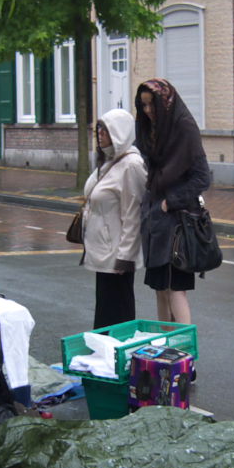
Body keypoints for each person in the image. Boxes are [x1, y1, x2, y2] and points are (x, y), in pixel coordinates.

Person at [134, 79, 211, 325]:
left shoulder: (184, 128)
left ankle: (185, 352)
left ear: (165, 102)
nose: (147, 111)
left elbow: (201, 178)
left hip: (178, 223)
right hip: (155, 220)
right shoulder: (150, 130)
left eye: (152, 105)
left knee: (176, 289)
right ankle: (165, 346)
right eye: (143, 106)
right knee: (160, 288)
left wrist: (170, 202)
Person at [81, 108, 148, 328]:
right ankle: (103, 355)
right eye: (99, 128)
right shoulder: (110, 161)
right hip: (102, 250)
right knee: (105, 310)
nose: (100, 134)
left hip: (116, 253)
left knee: (117, 311)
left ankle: (117, 355)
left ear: (120, 132)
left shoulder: (131, 165)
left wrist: (125, 256)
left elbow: (133, 214)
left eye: (106, 130)